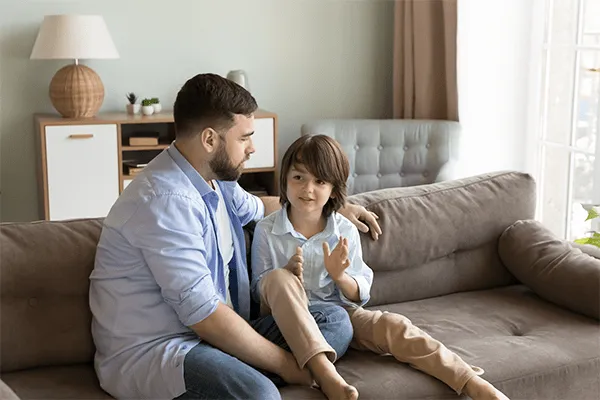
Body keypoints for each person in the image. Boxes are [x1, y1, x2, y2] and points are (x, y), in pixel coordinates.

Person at [88, 73, 382, 400]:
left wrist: (334, 209)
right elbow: (204, 315)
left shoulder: (216, 179)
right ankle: (264, 373)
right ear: (210, 140)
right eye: (244, 138)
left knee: (335, 320)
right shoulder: (164, 202)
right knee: (261, 395)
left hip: (213, 335)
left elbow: (265, 207)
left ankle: (244, 368)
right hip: (161, 350)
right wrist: (289, 366)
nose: (253, 148)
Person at [251, 134, 511, 400]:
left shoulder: (344, 230)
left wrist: (340, 276)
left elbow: (360, 294)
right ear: (285, 179)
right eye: (299, 177)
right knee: (277, 279)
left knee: (394, 326)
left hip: (342, 313)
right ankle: (325, 374)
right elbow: (257, 292)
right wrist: (286, 273)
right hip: (288, 320)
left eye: (319, 181)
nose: (307, 189)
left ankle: (470, 382)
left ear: (333, 189)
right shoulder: (267, 230)